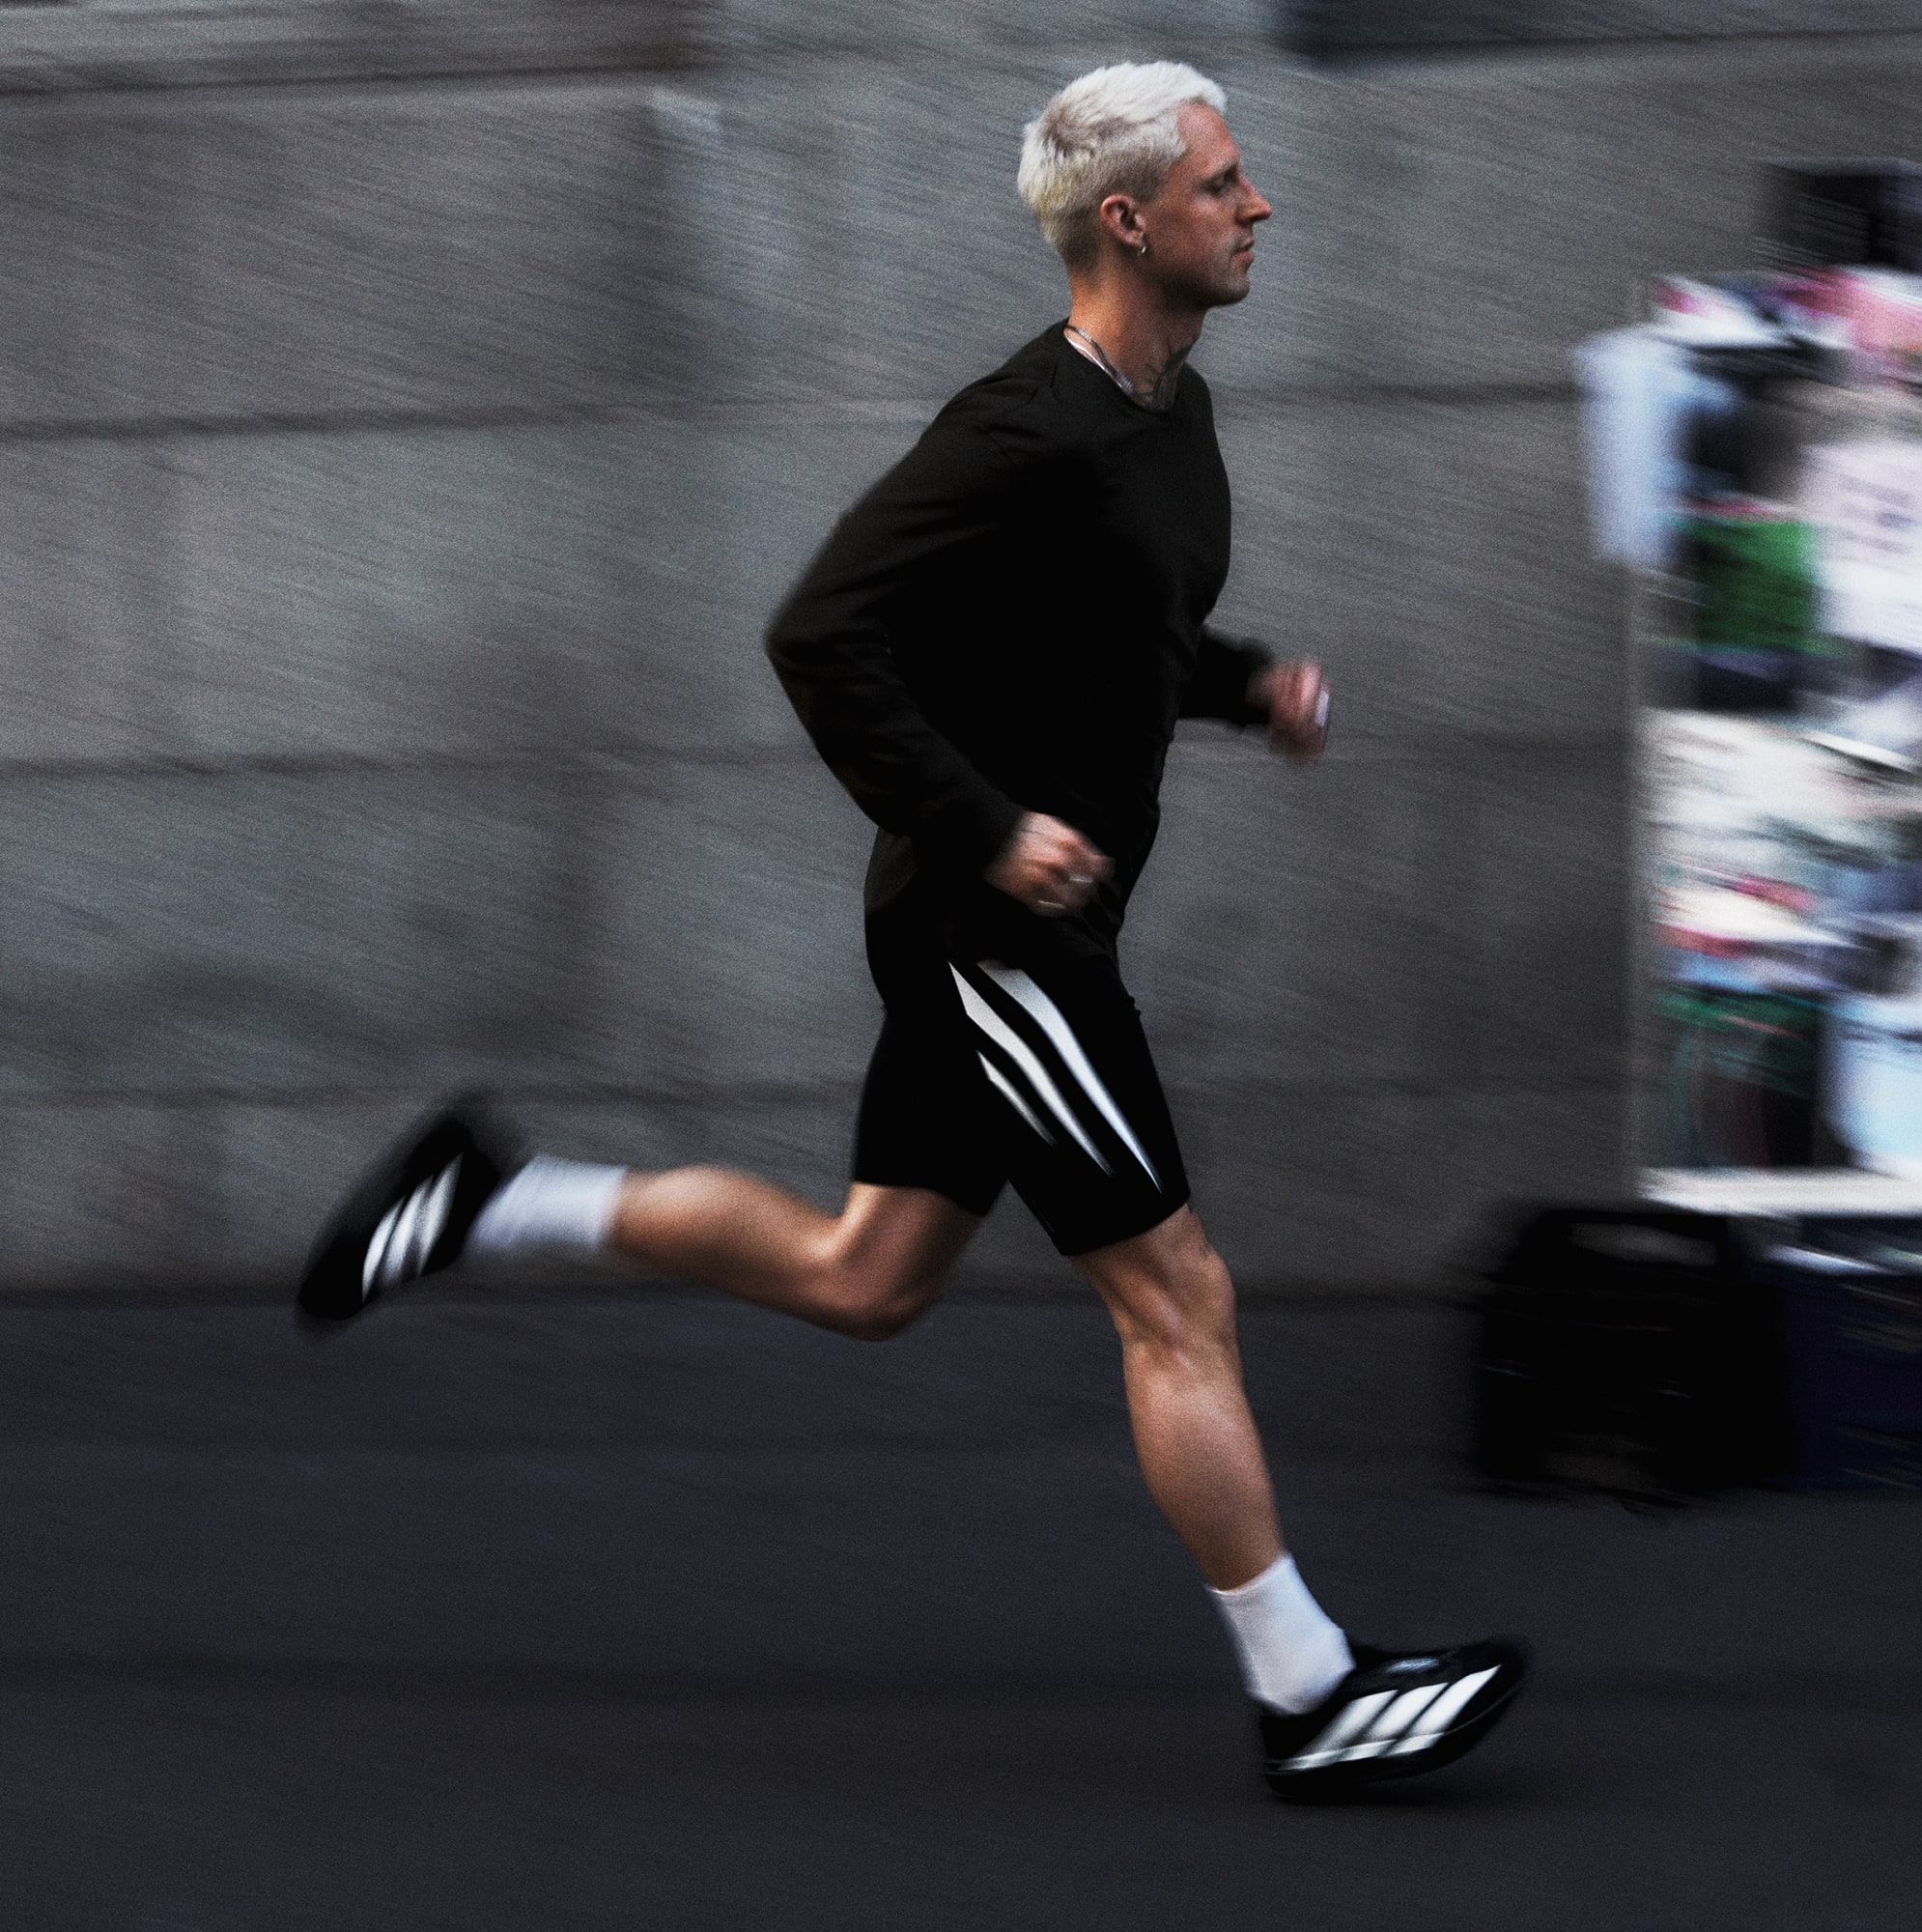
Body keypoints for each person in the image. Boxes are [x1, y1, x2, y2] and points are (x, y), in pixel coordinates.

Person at [297, 60, 1526, 1801]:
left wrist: (1251, 687)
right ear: (1129, 222)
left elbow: (1122, 632)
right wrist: (986, 829)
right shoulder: (1017, 429)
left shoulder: (1170, 412)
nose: (1257, 205)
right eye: (1223, 184)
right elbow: (821, 634)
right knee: (1178, 1293)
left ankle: (495, 1196)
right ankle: (1308, 1693)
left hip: (1017, 933)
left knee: (864, 1279)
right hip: (994, 942)